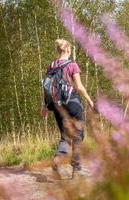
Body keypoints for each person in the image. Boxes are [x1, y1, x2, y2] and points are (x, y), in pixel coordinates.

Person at [40, 39, 94, 179]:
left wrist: (44, 105)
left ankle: (57, 161)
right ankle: (77, 169)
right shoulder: (72, 65)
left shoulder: (51, 66)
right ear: (68, 50)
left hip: (57, 105)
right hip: (72, 103)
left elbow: (45, 87)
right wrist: (89, 100)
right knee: (77, 135)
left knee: (65, 135)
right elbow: (79, 86)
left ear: (59, 50)